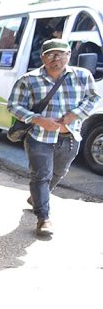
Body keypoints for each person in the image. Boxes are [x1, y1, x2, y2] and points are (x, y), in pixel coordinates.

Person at [7, 39, 101, 236]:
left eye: (60, 53)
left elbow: (94, 98)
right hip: (39, 137)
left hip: (70, 137)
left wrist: (74, 114)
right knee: (41, 176)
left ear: (68, 55)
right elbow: (13, 106)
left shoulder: (82, 76)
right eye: (50, 54)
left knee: (59, 172)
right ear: (42, 57)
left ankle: (36, 198)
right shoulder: (28, 79)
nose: (56, 58)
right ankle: (43, 217)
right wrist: (39, 120)